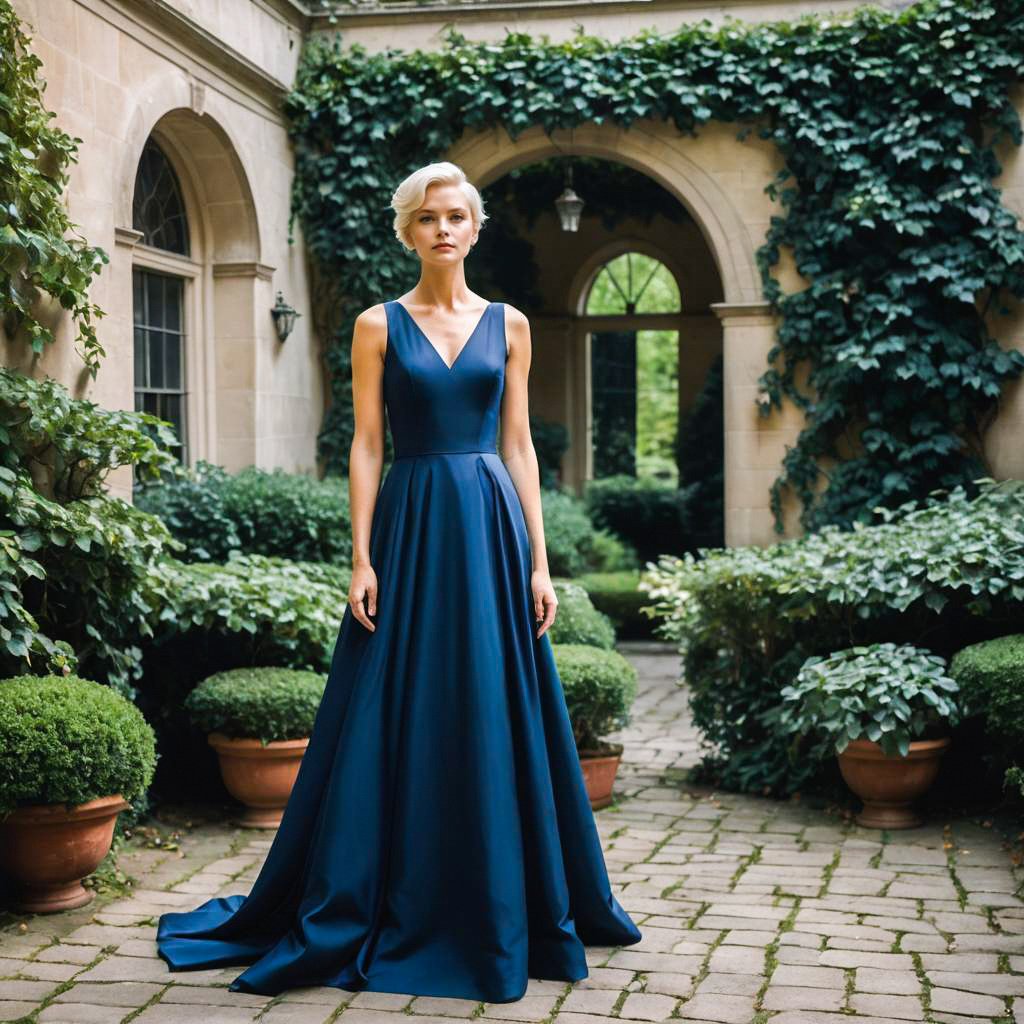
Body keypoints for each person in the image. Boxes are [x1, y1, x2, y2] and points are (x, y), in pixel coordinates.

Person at [155, 161, 642, 1003]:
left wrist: (538, 558)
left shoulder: (512, 325)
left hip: (489, 528)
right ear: (408, 230)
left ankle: (505, 892)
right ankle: (377, 890)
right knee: (394, 702)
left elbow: (519, 445)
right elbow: (367, 444)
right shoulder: (377, 324)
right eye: (428, 218)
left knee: (493, 701)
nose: (444, 229)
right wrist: (361, 555)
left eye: (457, 216)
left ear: (475, 228)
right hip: (411, 527)